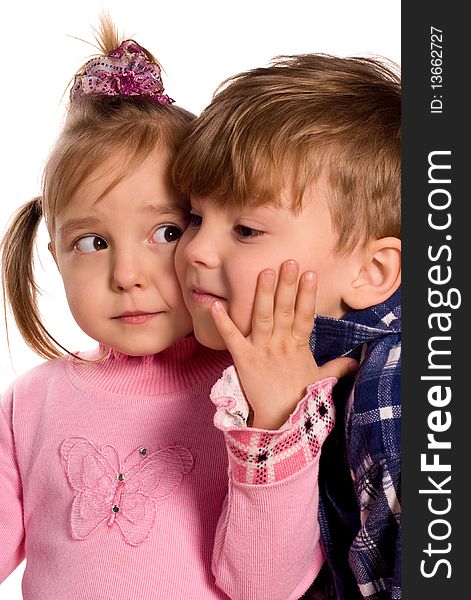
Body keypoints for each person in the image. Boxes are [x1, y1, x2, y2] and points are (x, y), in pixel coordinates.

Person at [0, 17, 356, 600]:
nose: (128, 276)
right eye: (92, 242)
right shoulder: (29, 406)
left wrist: (277, 421)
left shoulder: (257, 391)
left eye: (165, 231)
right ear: (54, 255)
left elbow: (269, 586)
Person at [172, 52, 401, 600]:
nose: (196, 249)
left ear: (370, 272)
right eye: (195, 217)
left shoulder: (392, 382)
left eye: (247, 229)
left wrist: (282, 418)